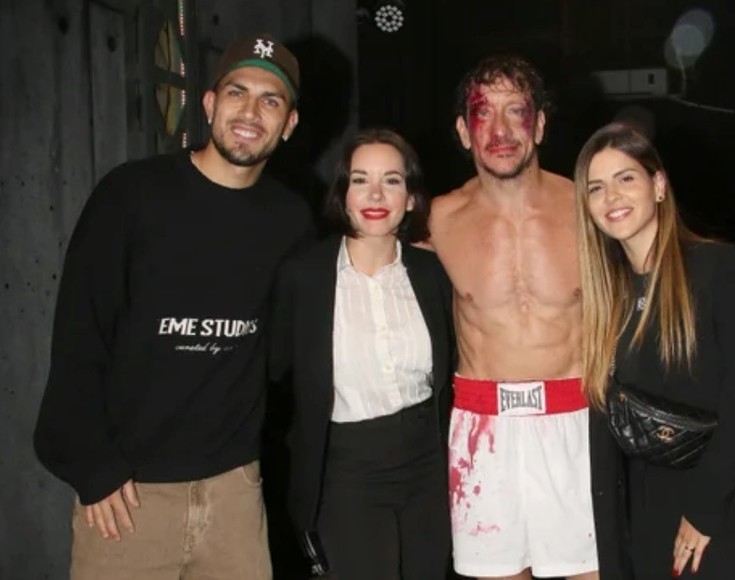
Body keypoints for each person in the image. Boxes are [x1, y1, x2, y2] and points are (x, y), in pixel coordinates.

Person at [33, 33, 313, 580]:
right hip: (128, 495)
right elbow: (79, 335)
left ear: (290, 123)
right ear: (209, 103)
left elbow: (292, 344)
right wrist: (93, 466)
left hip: (235, 493)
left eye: (271, 100)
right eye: (237, 93)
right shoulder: (132, 196)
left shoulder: (291, 221)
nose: (251, 112)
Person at [428, 54, 630, 580]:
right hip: (481, 433)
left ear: (539, 124)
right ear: (461, 130)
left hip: (575, 424)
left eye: (515, 111)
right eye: (482, 113)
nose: (499, 130)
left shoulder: (591, 210)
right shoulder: (438, 218)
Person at [574, 122, 735, 580]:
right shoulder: (609, 295)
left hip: (718, 506)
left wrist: (704, 512)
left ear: (658, 185)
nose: (612, 198)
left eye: (626, 178)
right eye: (596, 188)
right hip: (645, 515)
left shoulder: (717, 269)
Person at [269, 128, 454, 580]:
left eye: (392, 180)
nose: (375, 193)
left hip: (429, 464)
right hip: (347, 470)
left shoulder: (432, 273)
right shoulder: (304, 276)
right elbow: (272, 380)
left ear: (410, 198)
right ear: (343, 194)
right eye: (360, 180)